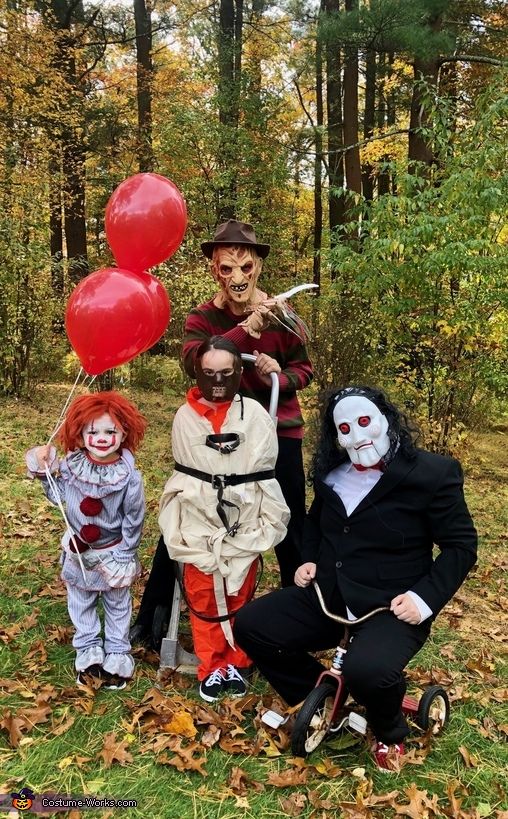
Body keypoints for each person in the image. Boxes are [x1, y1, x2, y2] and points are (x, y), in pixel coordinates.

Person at [233, 385, 477, 771]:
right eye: (345, 429)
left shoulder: (435, 473)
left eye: (365, 422)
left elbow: (461, 547)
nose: (357, 435)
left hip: (391, 606)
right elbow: (315, 523)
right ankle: (325, 695)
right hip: (328, 595)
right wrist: (308, 559)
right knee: (250, 625)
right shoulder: (331, 473)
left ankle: (389, 730)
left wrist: (422, 599)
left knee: (369, 671)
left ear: (386, 419)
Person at [130, 218, 313, 645]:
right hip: (215, 431)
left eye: (245, 267)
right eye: (226, 268)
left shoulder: (284, 317)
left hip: (275, 430)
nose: (237, 277)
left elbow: (303, 369)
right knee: (186, 511)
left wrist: (278, 377)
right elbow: (194, 362)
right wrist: (245, 331)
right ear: (214, 269)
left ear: (259, 268)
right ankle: (152, 615)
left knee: (288, 520)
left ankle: (300, 619)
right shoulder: (203, 316)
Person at [158, 336, 289, 701]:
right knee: (202, 595)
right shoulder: (184, 417)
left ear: (239, 374)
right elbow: (186, 473)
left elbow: (263, 468)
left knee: (239, 593)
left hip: (244, 517)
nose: (217, 380)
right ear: (198, 373)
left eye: (226, 373)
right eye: (209, 372)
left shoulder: (256, 416)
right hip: (199, 518)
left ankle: (237, 662)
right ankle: (211, 666)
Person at [26, 392, 147, 689]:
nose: (102, 438)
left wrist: (126, 554)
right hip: (79, 550)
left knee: (117, 602)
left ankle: (117, 651)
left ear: (124, 432)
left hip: (113, 550)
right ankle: (89, 648)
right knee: (81, 599)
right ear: (80, 432)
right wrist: (46, 475)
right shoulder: (70, 466)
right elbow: (59, 497)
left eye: (110, 431)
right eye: (93, 431)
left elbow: (134, 518)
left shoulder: (129, 477)